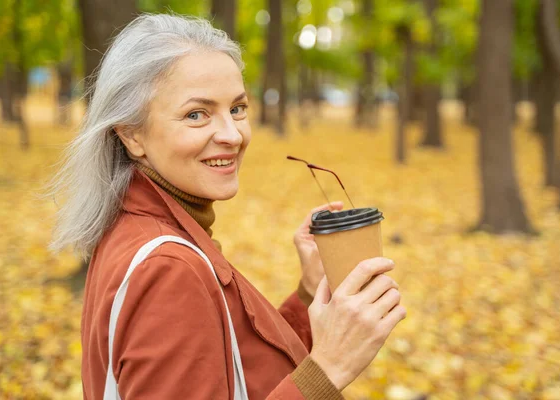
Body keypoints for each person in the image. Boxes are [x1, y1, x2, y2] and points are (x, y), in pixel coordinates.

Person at [49, 14, 406, 400]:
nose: (232, 135)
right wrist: (329, 369)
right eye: (196, 114)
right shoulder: (168, 268)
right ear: (133, 135)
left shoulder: (136, 225)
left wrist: (307, 296)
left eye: (237, 108)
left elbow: (232, 367)